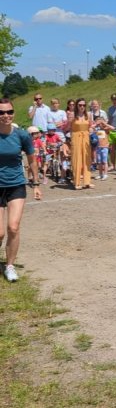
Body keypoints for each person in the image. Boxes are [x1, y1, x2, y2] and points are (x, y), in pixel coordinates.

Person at [0, 98, 42, 282]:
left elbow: (32, 160)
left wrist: (36, 184)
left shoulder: (22, 135)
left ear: (14, 113)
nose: (5, 116)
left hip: (16, 184)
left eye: (9, 112)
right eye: (1, 113)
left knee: (13, 227)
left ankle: (9, 266)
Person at [67, 98, 94, 190]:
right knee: (77, 159)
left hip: (86, 138)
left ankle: (87, 182)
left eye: (83, 105)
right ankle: (77, 182)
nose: (82, 107)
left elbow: (91, 126)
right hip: (76, 137)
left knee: (87, 160)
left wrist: (92, 129)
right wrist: (68, 122)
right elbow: (67, 127)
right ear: (76, 106)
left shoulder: (88, 115)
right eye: (80, 105)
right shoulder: (72, 115)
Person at [93, 116, 114, 181]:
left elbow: (113, 128)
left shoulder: (106, 128)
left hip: (105, 147)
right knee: (99, 162)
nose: (100, 124)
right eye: (98, 122)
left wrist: (104, 123)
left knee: (104, 161)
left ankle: (105, 174)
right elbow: (91, 128)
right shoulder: (97, 129)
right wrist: (96, 124)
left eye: (100, 122)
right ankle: (100, 174)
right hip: (98, 147)